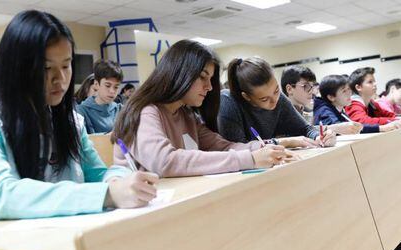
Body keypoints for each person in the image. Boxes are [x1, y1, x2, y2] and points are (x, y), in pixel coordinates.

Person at [0, 10, 158, 250]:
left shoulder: (68, 119)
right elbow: (0, 194)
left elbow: (97, 172)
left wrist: (120, 181)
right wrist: (106, 193)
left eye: (66, 65)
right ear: (17, 68)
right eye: (45, 68)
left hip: (72, 249)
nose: (61, 79)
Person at [112, 40, 296, 177]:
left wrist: (269, 149)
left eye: (211, 80)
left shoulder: (186, 114)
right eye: (202, 77)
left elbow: (224, 147)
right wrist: (252, 159)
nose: (209, 87)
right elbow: (165, 161)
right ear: (178, 73)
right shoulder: (147, 111)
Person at [218, 57, 335, 148]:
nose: (274, 100)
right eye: (264, 99)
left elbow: (305, 129)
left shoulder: (279, 99)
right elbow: (239, 148)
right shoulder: (228, 101)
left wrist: (319, 136)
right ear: (246, 96)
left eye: (276, 90)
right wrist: (285, 142)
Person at [314, 74, 401, 133]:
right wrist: (382, 128)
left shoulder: (340, 108)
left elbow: (354, 126)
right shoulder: (324, 111)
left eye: (349, 89)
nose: (349, 93)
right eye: (344, 91)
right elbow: (347, 128)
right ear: (331, 97)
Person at [77, 59, 122, 133]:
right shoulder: (82, 111)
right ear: (96, 84)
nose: (112, 91)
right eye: (107, 85)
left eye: (116, 87)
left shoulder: (120, 110)